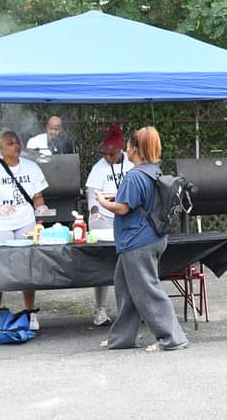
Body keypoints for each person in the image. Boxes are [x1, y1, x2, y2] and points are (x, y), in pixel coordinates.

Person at [96, 126, 188, 352]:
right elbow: (141, 200)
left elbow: (123, 208)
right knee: (126, 288)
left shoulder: (134, 175)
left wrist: (102, 201)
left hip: (137, 241)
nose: (125, 150)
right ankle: (122, 338)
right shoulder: (153, 171)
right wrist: (115, 197)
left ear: (135, 149)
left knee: (147, 290)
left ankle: (172, 338)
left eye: (127, 146)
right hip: (152, 237)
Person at [0, 132, 50, 330]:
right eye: (10, 143)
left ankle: (30, 312)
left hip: (25, 221)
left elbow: (37, 197)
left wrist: (41, 207)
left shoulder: (31, 167)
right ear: (1, 148)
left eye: (17, 142)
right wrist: (0, 208)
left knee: (27, 267)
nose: (15, 146)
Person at [84, 125, 133, 327]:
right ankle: (100, 308)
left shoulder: (131, 164)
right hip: (104, 218)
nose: (108, 157)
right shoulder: (98, 168)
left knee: (128, 263)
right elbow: (92, 198)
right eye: (104, 154)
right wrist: (95, 214)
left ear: (121, 150)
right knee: (102, 264)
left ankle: (129, 308)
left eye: (111, 154)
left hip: (127, 216)